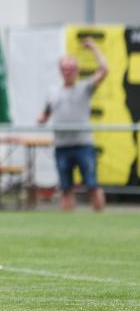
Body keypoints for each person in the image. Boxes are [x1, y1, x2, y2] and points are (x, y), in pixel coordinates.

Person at [38, 38, 108, 211]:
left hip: (83, 144)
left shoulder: (85, 88)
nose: (68, 72)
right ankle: (67, 226)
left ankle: (101, 221)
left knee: (92, 185)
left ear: (77, 71)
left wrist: (93, 48)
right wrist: (41, 118)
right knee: (65, 188)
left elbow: (105, 70)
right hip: (62, 146)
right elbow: (45, 114)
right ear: (60, 71)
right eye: (64, 69)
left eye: (71, 69)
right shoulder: (52, 91)